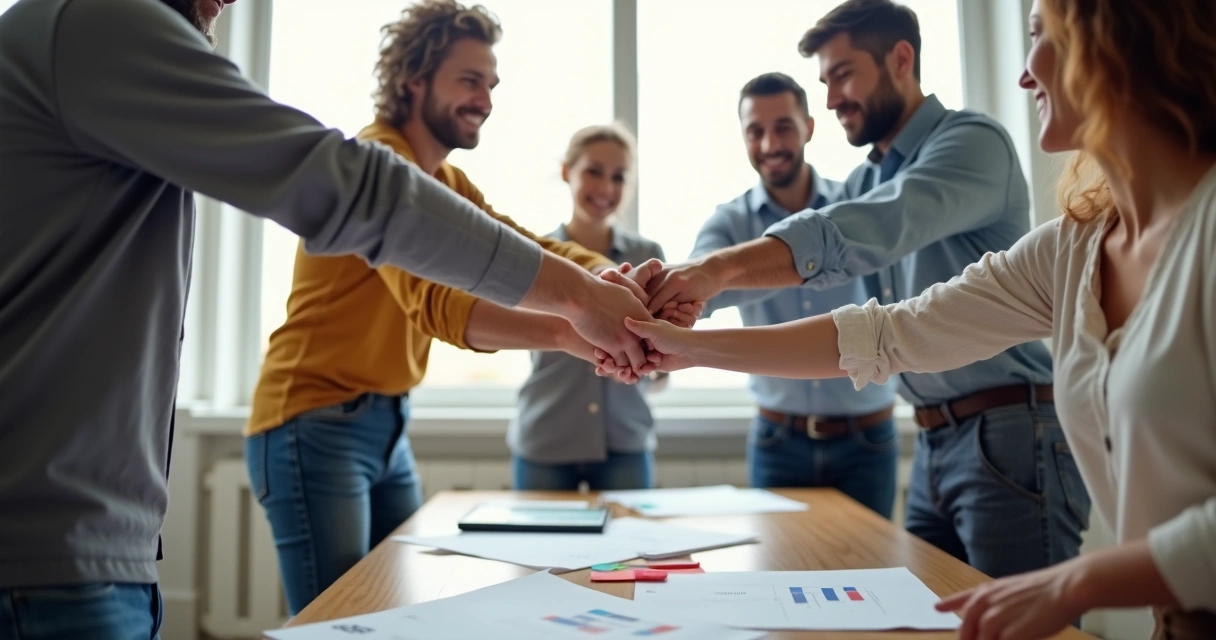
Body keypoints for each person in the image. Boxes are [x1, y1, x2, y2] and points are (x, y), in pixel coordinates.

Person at [0, 0, 655, 637]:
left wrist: (612, 278)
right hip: (314, 422)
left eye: (491, 83)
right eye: (470, 79)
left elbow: (528, 243)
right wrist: (580, 321)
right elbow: (440, 306)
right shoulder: (382, 159)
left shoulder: (443, 183)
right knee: (342, 624)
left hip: (380, 423)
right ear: (414, 78)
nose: (485, 97)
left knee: (397, 613)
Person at [624, 0, 1216, 636]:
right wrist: (682, 345)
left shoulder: (973, 144)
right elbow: (885, 333)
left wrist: (711, 276)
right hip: (954, 451)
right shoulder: (1071, 246)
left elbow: (869, 229)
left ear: (1120, 43)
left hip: (1003, 429)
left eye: (1040, 35)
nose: (1024, 73)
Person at [690, 72, 898, 517]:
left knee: (873, 576)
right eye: (755, 131)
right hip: (776, 441)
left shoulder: (855, 210)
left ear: (809, 127)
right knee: (777, 578)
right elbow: (696, 291)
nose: (769, 144)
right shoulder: (728, 224)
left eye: (783, 127)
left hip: (868, 439)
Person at [509, 123, 674, 491]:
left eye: (618, 177)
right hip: (545, 443)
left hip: (626, 444)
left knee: (632, 548)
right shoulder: (536, 255)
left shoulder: (649, 257)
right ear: (567, 172)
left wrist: (645, 367)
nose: (605, 188)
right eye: (593, 172)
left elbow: (665, 360)